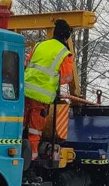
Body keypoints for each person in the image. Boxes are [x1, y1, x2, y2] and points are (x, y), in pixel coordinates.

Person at [23, 19, 75, 160]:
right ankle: (31, 159)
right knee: (35, 129)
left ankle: (17, 151)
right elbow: (67, 77)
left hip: (24, 91)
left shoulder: (39, 45)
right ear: (66, 37)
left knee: (20, 124)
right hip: (42, 96)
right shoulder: (65, 53)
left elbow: (27, 63)